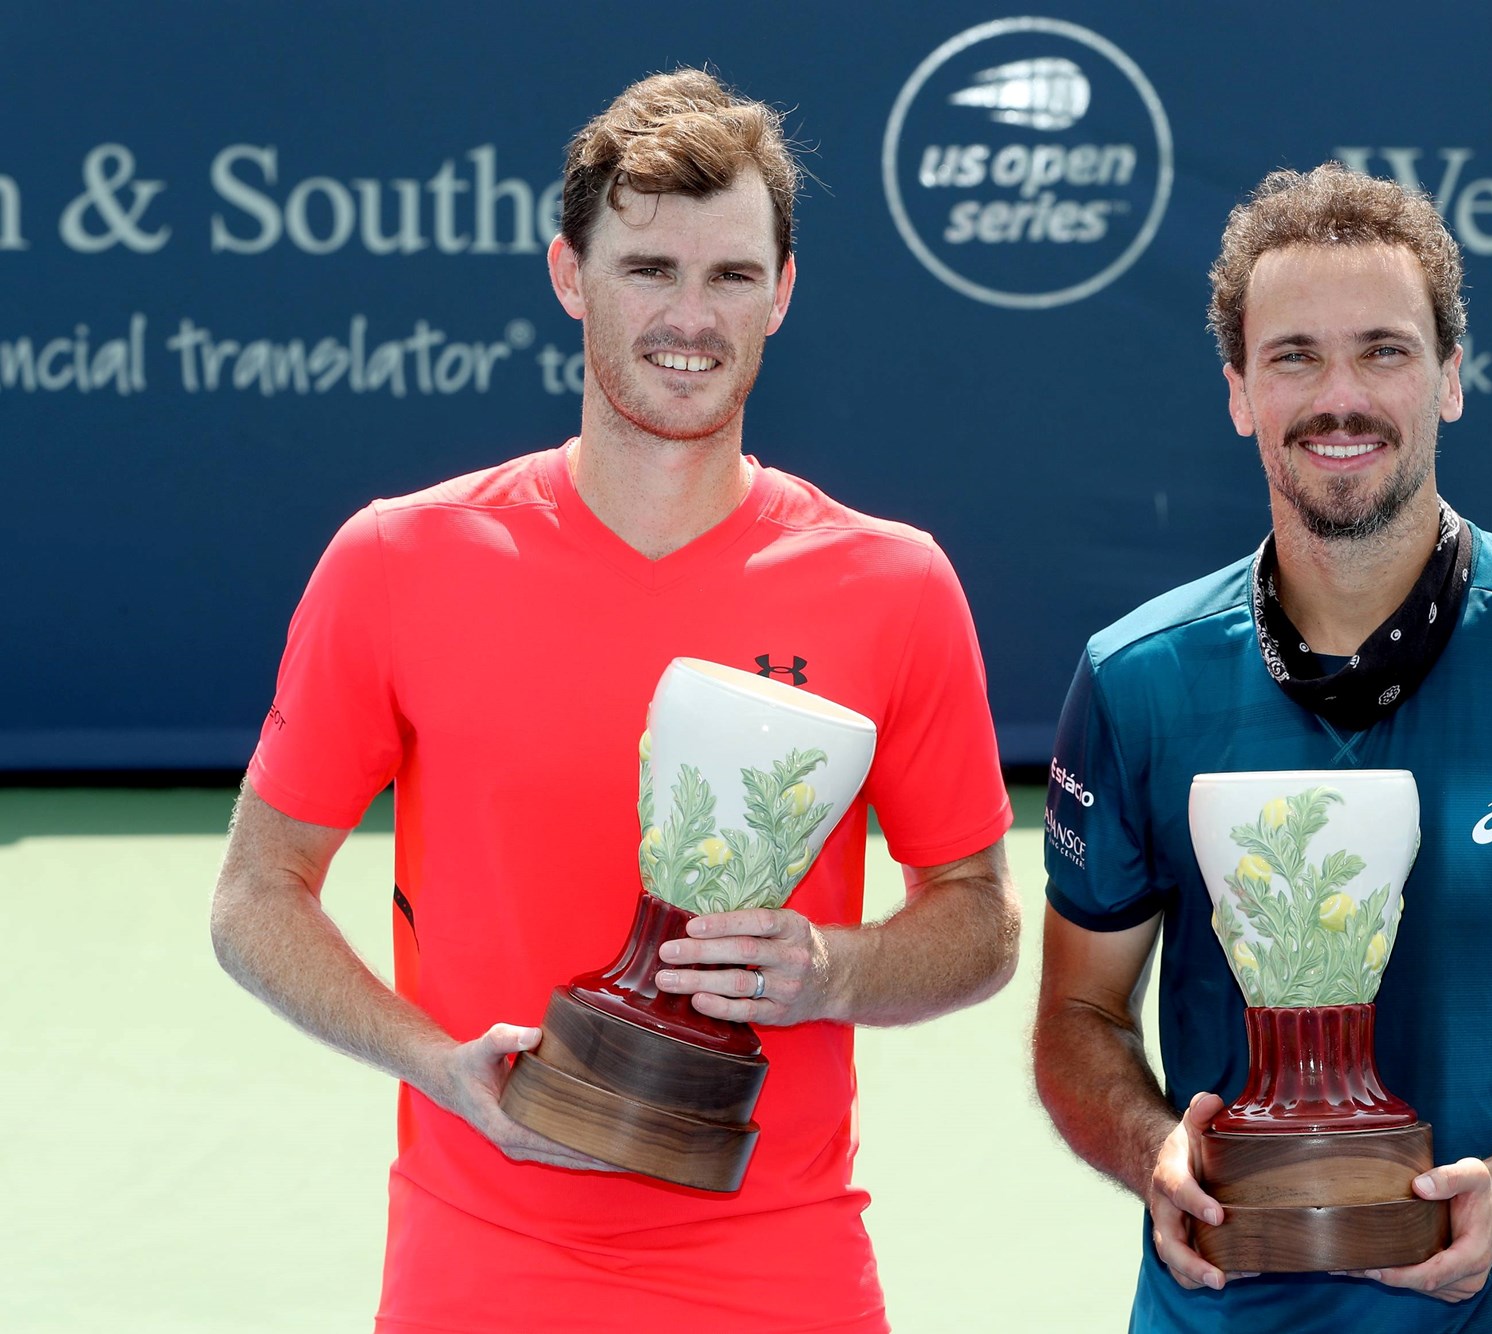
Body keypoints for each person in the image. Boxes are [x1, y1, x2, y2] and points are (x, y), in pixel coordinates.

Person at [210, 69, 1018, 1334]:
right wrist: (435, 1067)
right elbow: (256, 893)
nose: (689, 316)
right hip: (475, 1258)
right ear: (568, 275)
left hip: (779, 1259)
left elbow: (976, 920)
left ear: (783, 292)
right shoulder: (394, 560)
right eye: (648, 269)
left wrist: (833, 967)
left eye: (732, 275)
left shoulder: (895, 585)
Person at [1032, 162, 1492, 1332]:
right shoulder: (1133, 677)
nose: (1338, 395)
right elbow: (1076, 1015)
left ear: (1451, 379)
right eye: (1293, 354)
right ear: (1238, 392)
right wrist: (1154, 1149)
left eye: (1384, 350)